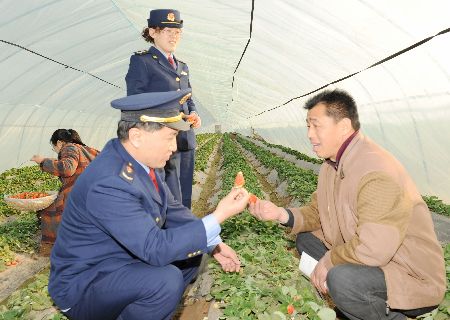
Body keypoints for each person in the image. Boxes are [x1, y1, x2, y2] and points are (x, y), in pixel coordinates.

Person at [48, 89, 249, 320]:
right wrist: (219, 215)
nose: (174, 147)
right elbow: (155, 249)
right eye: (170, 137)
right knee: (166, 281)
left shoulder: (141, 162)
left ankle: (143, 311)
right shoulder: (109, 182)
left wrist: (214, 244)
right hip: (85, 284)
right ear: (136, 136)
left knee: (192, 252)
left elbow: (173, 211)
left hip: (119, 263)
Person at [248, 89, 445, 320]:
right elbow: (318, 212)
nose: (309, 134)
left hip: (409, 274)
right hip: (372, 259)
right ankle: (349, 303)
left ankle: (382, 312)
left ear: (343, 126)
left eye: (316, 125)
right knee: (306, 240)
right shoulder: (330, 166)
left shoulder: (376, 170)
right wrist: (280, 214)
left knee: (342, 280)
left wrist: (330, 261)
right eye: (307, 126)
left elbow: (374, 248)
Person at [125, 9, 200, 209]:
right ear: (153, 32)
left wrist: (193, 113)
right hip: (161, 140)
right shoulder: (142, 62)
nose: (174, 37)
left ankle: (185, 230)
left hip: (184, 138)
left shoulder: (183, 66)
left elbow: (188, 98)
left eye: (177, 32)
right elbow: (135, 103)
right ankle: (168, 234)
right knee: (167, 195)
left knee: (184, 192)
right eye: (168, 31)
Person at [31, 129, 99, 256]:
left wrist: (42, 161)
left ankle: (52, 248)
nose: (56, 151)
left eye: (54, 147)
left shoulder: (69, 148)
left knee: (47, 210)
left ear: (60, 143)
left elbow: (67, 168)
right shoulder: (87, 150)